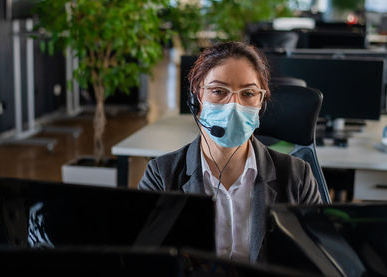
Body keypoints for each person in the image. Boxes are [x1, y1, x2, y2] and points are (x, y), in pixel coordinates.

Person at [138, 41, 322, 262]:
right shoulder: (161, 175)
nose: (233, 105)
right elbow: (145, 263)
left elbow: (317, 263)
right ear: (196, 97)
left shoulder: (297, 177)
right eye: (218, 91)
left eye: (248, 93)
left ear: (261, 103)